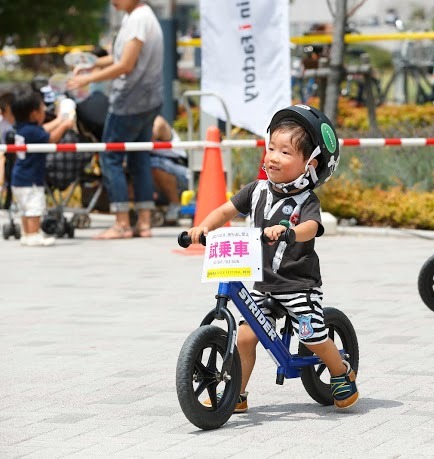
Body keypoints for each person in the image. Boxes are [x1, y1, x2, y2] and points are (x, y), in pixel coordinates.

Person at [188, 105, 358, 411]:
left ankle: (340, 372)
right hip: (263, 284)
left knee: (314, 335)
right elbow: (226, 210)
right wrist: (204, 226)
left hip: (298, 284)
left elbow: (311, 228)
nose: (273, 157)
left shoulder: (306, 200)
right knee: (244, 337)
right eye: (271, 148)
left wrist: (290, 231)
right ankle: (235, 393)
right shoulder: (256, 191)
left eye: (285, 152)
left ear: (310, 163)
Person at [67, 0, 163, 239]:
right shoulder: (138, 16)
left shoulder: (139, 20)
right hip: (148, 101)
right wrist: (93, 64)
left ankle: (121, 223)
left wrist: (86, 80)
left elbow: (126, 65)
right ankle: (144, 223)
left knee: (110, 157)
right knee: (139, 158)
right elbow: (121, 57)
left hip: (129, 103)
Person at [9, 87, 73, 247]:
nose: (44, 111)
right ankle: (34, 235)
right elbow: (50, 138)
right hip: (31, 179)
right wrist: (64, 126)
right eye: (42, 109)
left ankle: (27, 234)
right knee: (34, 208)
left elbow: (43, 130)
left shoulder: (23, 128)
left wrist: (59, 120)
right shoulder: (32, 132)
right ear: (34, 114)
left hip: (19, 178)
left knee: (25, 208)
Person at [150, 115, 190, 225]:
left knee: (154, 163)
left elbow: (147, 139)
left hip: (182, 174)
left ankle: (175, 205)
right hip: (160, 175)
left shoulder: (158, 122)